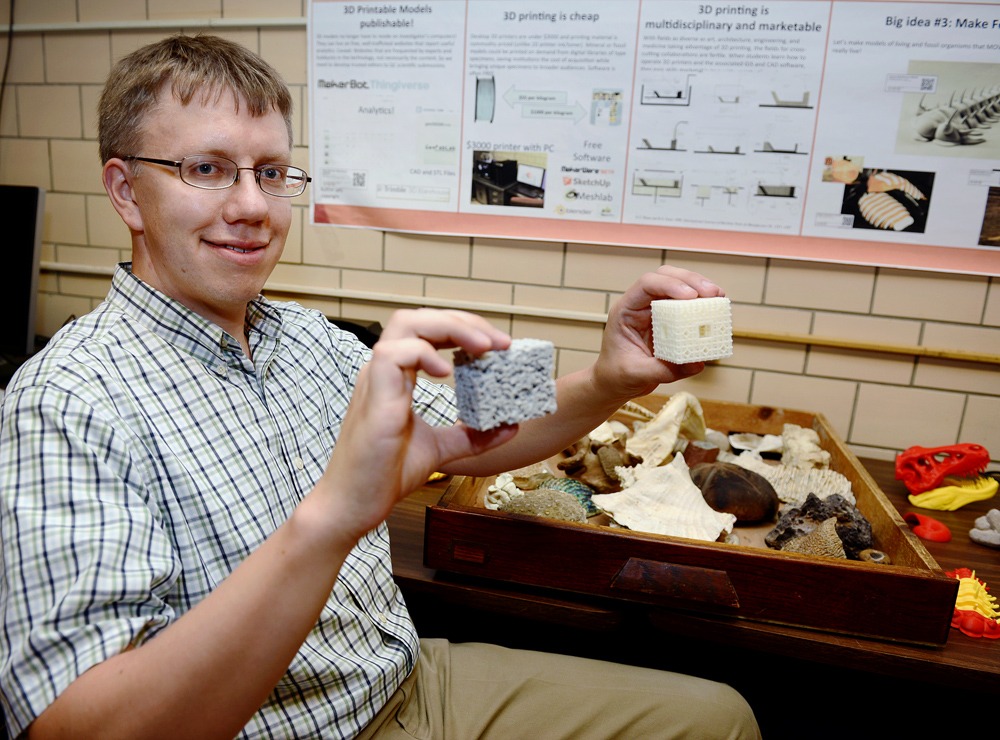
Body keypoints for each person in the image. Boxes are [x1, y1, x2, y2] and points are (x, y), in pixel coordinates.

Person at [0, 34, 760, 739]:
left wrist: (604, 378)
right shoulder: (65, 401)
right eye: (206, 169)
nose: (253, 208)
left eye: (270, 173)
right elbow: (80, 725)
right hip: (295, 727)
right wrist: (328, 520)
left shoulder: (302, 335)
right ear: (126, 192)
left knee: (720, 716)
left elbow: (477, 426)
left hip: (406, 680)